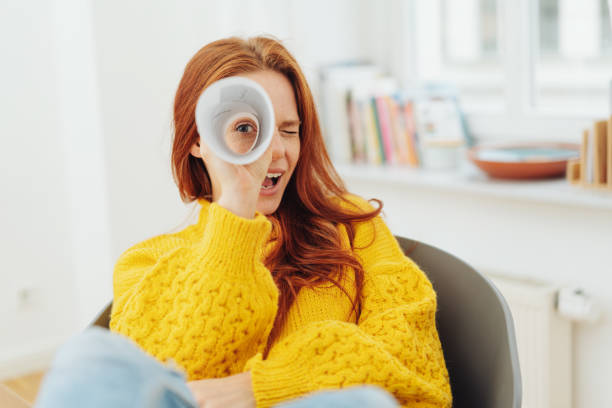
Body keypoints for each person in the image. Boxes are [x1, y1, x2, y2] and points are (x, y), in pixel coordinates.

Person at [36, 36, 451, 408]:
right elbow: (165, 379)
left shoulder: (352, 226)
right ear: (200, 139)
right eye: (246, 129)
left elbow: (413, 362)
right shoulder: (146, 262)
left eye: (288, 131)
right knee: (87, 357)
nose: (273, 152)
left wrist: (261, 386)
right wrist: (236, 207)